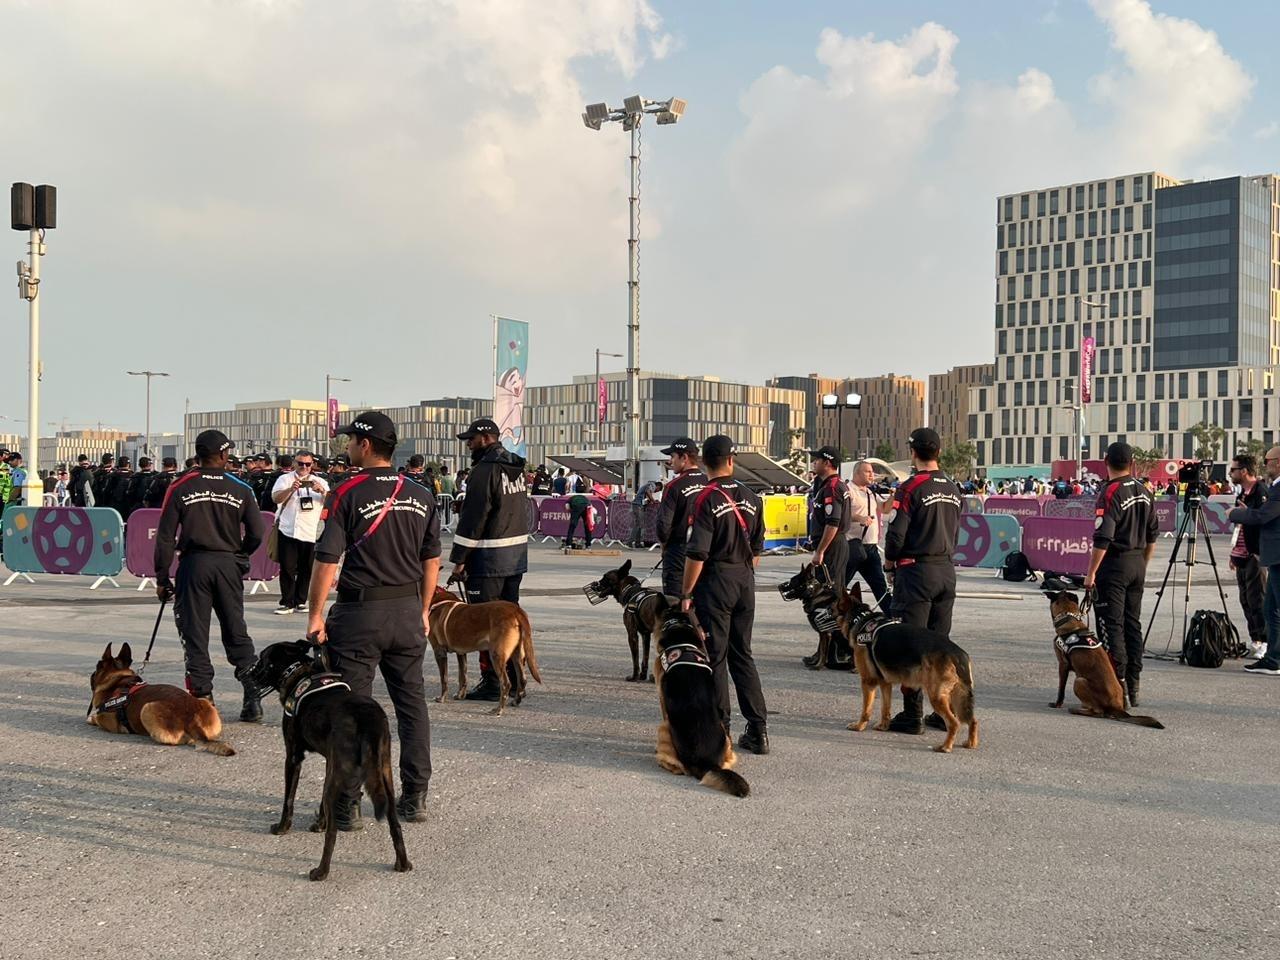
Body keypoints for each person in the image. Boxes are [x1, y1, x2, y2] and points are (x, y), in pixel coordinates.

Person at [307, 410, 440, 828]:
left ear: (365, 445)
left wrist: (313, 615)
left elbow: (327, 560)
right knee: (412, 706)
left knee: (353, 712)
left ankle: (345, 806)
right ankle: (414, 796)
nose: (347, 448)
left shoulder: (347, 491)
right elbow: (431, 557)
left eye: (350, 441)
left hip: (359, 614)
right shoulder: (421, 493)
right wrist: (422, 609)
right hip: (405, 611)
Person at [153, 430, 264, 722]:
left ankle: (204, 701)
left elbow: (165, 537)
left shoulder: (180, 485)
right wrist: (240, 554)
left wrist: (162, 578)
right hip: (228, 564)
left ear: (198, 455)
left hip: (194, 565)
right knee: (235, 630)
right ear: (225, 455)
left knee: (195, 633)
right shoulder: (240, 487)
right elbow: (257, 533)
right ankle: (252, 697)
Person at [680, 435, 768, 754]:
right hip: (745, 578)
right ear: (732, 460)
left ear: (704, 461)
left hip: (715, 581)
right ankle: (758, 731)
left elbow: (697, 554)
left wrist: (686, 592)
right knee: (742, 654)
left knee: (715, 657)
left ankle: (721, 731)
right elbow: (757, 549)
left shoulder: (705, 498)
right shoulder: (751, 496)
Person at [883, 427, 962, 734]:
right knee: (940, 646)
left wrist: (889, 562)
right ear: (939, 452)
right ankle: (945, 712)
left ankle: (912, 714)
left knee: (909, 644)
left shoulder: (910, 487)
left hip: (916, 572)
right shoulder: (954, 487)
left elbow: (897, 533)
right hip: (945, 570)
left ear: (913, 452)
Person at [449, 417, 530, 701]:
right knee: (509, 622)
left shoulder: (484, 471)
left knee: (482, 623)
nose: (468, 444)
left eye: (470, 439)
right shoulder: (516, 467)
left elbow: (474, 518)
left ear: (485, 439)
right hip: (515, 556)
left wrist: (459, 559)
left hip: (487, 559)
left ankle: (493, 680)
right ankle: (516, 678)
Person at [1083, 442, 1159, 707]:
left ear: (1106, 461)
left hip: (1114, 566)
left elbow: (1103, 537)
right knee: (1132, 625)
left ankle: (1118, 689)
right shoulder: (1145, 491)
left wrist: (1090, 574)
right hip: (1137, 563)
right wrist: (1143, 564)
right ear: (1132, 461)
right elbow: (1153, 536)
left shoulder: (1110, 491)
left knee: (1111, 627)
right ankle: (1134, 685)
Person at [1229, 446, 1280, 677]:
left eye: (1268, 461)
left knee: (1267, 605)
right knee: (1270, 608)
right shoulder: (1271, 488)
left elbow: (1262, 516)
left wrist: (1235, 514)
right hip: (1267, 555)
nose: (1265, 465)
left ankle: (1273, 657)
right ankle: (1272, 657)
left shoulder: (1271, 489)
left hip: (1271, 555)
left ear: (1277, 462)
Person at [270, 449, 331, 615]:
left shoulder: (320, 481)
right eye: (300, 463)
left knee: (306, 568)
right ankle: (287, 602)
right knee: (287, 567)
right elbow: (276, 498)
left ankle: (301, 601)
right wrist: (290, 489)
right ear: (294, 463)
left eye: (307, 464)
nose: (304, 467)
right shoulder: (284, 479)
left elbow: (331, 504)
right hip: (288, 528)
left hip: (310, 530)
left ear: (312, 465)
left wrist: (322, 492)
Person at [656, 438, 707, 599]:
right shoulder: (709, 482)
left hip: (679, 551)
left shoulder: (674, 486)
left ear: (684, 458)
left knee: (675, 602)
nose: (670, 461)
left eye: (673, 456)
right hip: (706, 551)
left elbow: (663, 526)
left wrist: (665, 546)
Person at [1229, 455, 1268, 659]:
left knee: (1257, 599)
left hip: (1256, 554)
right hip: (1241, 553)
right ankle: (1256, 639)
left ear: (1244, 471)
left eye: (1233, 470)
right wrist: (1233, 551)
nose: (1230, 473)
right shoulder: (1242, 493)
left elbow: (1262, 519)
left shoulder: (1261, 491)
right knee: (1245, 599)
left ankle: (1265, 640)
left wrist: (1246, 513)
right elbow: (1239, 526)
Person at [845, 459, 892, 606]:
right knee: (840, 585)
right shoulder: (848, 490)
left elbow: (885, 508)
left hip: (870, 548)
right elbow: (841, 515)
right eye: (868, 472)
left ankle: (892, 618)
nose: (872, 475)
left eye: (872, 472)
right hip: (852, 547)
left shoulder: (870, 493)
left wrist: (893, 497)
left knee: (880, 587)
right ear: (857, 473)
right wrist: (859, 517)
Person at [630, 478, 664, 547]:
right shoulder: (652, 485)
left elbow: (646, 495)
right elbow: (648, 491)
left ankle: (638, 543)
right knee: (638, 524)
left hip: (638, 505)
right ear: (658, 487)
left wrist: (650, 501)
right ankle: (630, 541)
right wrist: (653, 501)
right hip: (637, 505)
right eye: (657, 490)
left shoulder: (648, 485)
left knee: (640, 525)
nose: (655, 492)